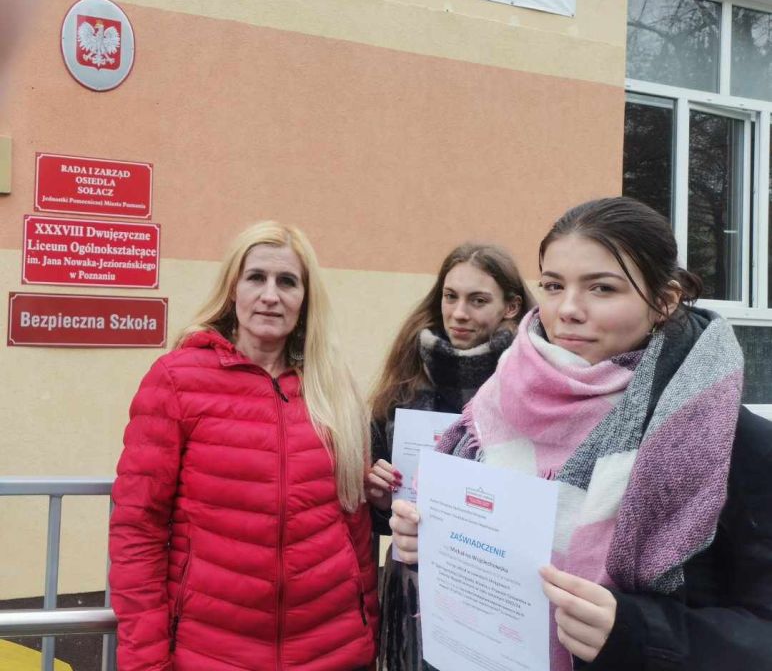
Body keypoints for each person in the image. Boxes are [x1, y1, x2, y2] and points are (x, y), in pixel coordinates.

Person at [391, 197, 772, 670]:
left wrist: (639, 632)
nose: (568, 310)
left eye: (602, 288)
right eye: (553, 285)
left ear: (665, 301)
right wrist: (434, 542)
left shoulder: (731, 441)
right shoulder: (494, 406)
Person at [109, 221, 378, 671]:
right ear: (233, 288)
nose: (270, 295)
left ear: (305, 298)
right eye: (256, 277)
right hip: (211, 653)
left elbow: (355, 526)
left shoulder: (333, 387)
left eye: (287, 281)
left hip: (330, 651)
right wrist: (146, 661)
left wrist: (366, 635)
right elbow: (138, 529)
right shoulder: (176, 380)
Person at [366, 242, 533, 670]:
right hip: (415, 592)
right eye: (450, 296)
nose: (459, 313)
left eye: (478, 300)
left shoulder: (534, 383)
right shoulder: (406, 378)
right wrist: (381, 499)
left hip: (498, 596)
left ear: (511, 306)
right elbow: (381, 517)